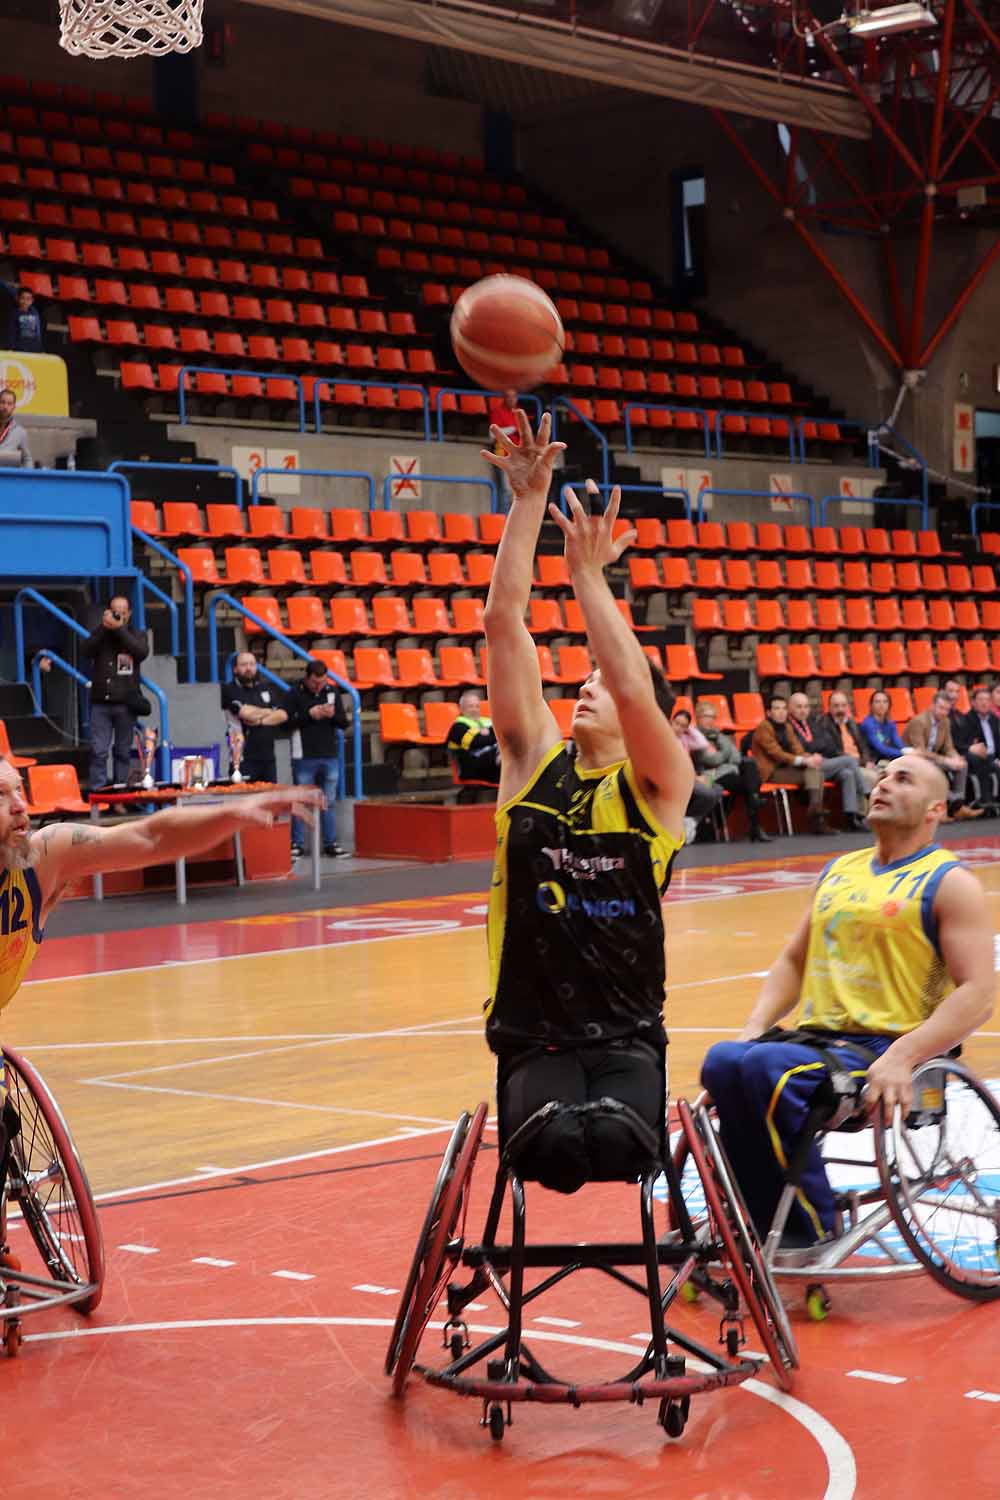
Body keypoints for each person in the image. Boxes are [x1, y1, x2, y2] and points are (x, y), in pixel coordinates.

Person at [481, 410, 693, 1195]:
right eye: (583, 680)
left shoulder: (657, 790)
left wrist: (588, 576)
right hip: (532, 1033)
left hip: (628, 1034)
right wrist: (528, 500)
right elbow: (503, 621)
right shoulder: (531, 761)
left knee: (614, 1138)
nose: (585, 684)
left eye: (597, 681)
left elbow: (633, 680)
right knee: (557, 1152)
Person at [701, 753, 994, 1245]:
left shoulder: (950, 882)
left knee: (764, 1070)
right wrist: (753, 1026)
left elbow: (979, 995)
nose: (883, 785)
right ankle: (753, 1222)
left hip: (884, 1048)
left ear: (935, 810)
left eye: (903, 780)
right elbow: (794, 960)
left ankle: (810, 1230)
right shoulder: (840, 869)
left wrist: (905, 1055)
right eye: (882, 776)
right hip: (816, 1043)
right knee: (725, 1061)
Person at [0, 757, 321, 1048]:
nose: (19, 805)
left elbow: (151, 837)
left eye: (19, 790)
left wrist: (230, 814)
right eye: (1, 795)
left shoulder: (42, 860)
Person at [80, 594, 149, 790]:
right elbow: (86, 650)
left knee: (122, 752)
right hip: (101, 702)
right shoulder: (100, 633)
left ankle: (120, 793)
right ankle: (99, 793)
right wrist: (104, 627)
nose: (119, 615)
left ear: (129, 614)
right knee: (99, 751)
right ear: (108, 612)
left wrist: (119, 630)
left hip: (126, 703)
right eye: (115, 612)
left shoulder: (136, 634)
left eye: (122, 612)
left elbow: (141, 652)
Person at [286, 660, 349, 857]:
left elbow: (343, 722)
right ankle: (297, 843)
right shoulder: (294, 692)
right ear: (307, 677)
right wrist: (309, 715)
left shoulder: (332, 691)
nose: (319, 686)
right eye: (315, 683)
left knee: (328, 800)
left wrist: (331, 715)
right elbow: (286, 723)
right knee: (301, 800)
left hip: (329, 753)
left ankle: (330, 843)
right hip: (303, 755)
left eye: (322, 682)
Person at [750, 694, 832, 836]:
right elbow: (777, 754)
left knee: (815, 771)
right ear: (769, 712)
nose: (781, 712)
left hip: (787, 769)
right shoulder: (763, 728)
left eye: (784, 708)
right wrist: (803, 761)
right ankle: (816, 815)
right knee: (812, 772)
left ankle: (815, 812)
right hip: (771, 772)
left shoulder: (787, 727)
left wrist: (810, 758)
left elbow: (797, 748)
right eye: (777, 709)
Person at [788, 691, 869, 833]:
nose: (803, 710)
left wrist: (815, 748)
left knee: (847, 774)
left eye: (806, 707)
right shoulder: (789, 726)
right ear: (790, 708)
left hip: (821, 762)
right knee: (849, 760)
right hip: (804, 767)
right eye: (799, 707)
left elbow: (827, 744)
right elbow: (801, 747)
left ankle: (850, 817)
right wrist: (814, 749)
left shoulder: (811, 722)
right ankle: (867, 793)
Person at [695, 698, 771, 843]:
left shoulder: (718, 736)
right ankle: (755, 823)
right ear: (698, 718)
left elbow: (736, 757)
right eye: (706, 716)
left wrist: (720, 741)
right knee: (750, 785)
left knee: (749, 763)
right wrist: (725, 754)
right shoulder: (696, 737)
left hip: (726, 772)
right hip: (711, 776)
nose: (710, 720)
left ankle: (754, 807)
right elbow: (712, 760)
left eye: (713, 717)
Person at [903, 689, 980, 820]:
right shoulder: (919, 721)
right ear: (932, 705)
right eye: (941, 708)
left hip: (933, 758)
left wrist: (955, 757)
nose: (943, 712)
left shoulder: (945, 721)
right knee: (935, 768)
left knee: (962, 765)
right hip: (915, 759)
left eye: (946, 709)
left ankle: (957, 807)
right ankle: (950, 802)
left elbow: (948, 746)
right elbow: (920, 752)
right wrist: (946, 761)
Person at [220, 652, 289, 784]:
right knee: (244, 803)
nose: (248, 668)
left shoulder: (266, 688)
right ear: (235, 669)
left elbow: (282, 715)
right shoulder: (229, 689)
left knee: (269, 802)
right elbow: (246, 714)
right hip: (242, 758)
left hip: (268, 757)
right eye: (244, 665)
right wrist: (269, 712)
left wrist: (259, 721)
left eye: (252, 664)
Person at [672, 707, 723, 842]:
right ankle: (688, 820)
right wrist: (695, 778)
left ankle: (690, 821)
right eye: (676, 723)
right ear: (670, 721)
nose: (678, 728)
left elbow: (703, 743)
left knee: (718, 789)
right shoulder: (666, 738)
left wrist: (690, 729)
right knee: (709, 794)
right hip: (677, 779)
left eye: (683, 726)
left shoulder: (685, 738)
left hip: (690, 776)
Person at [445, 688, 500, 802]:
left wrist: (488, 734)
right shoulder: (458, 727)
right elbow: (476, 742)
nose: (475, 710)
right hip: (473, 767)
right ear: (462, 709)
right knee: (506, 753)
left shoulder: (488, 721)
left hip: (492, 765)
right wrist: (492, 734)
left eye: (477, 706)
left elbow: (503, 735)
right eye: (471, 706)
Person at [952, 684, 1000, 813]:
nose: (984, 703)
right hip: (976, 757)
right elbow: (961, 744)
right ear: (973, 702)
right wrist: (971, 747)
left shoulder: (994, 720)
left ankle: (993, 800)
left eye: (987, 700)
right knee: (983, 761)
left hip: (993, 756)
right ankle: (985, 801)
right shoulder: (966, 719)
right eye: (981, 700)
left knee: (994, 764)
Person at [487, 387, 519, 507]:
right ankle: (503, 520)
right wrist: (513, 429)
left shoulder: (519, 412)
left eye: (513, 397)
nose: (511, 400)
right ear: (504, 398)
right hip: (503, 456)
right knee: (505, 491)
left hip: (518, 457)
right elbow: (492, 434)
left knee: (516, 493)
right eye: (508, 397)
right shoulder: (497, 411)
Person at [859, 689, 905, 762]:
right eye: (877, 701)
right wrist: (904, 753)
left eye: (885, 701)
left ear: (889, 705)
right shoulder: (868, 724)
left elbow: (897, 742)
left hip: (888, 758)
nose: (881, 705)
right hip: (872, 760)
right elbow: (881, 749)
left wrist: (906, 750)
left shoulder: (891, 723)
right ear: (871, 705)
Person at [2, 283, 44, 353]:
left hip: (34, 348)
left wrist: (41, 349)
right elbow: (12, 332)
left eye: (28, 299)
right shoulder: (15, 314)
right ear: (17, 299)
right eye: (22, 298)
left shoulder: (35, 313)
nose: (25, 302)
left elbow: (38, 332)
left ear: (32, 301)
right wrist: (10, 348)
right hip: (20, 348)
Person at [0, 387, 32, 469]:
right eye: (2, 402)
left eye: (9, 403)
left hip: (8, 478)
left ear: (14, 407)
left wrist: (27, 479)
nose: (5, 406)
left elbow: (27, 459)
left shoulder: (20, 432)